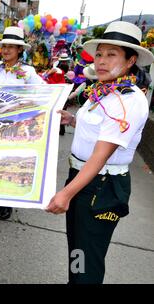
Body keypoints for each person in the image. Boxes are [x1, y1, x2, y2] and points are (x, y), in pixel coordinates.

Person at [46, 21, 154, 284]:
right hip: (83, 177)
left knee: (87, 258)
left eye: (112, 54)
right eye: (100, 54)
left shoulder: (127, 100)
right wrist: (72, 121)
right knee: (77, 250)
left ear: (130, 61)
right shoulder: (103, 91)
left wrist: (66, 193)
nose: (103, 60)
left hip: (100, 186)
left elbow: (100, 156)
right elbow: (97, 130)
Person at [0, 26, 46, 220]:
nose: (7, 50)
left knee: (9, 161)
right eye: (4, 46)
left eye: (12, 47)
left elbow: (43, 93)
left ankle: (7, 203)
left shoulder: (28, 72)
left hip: (16, 125)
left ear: (20, 50)